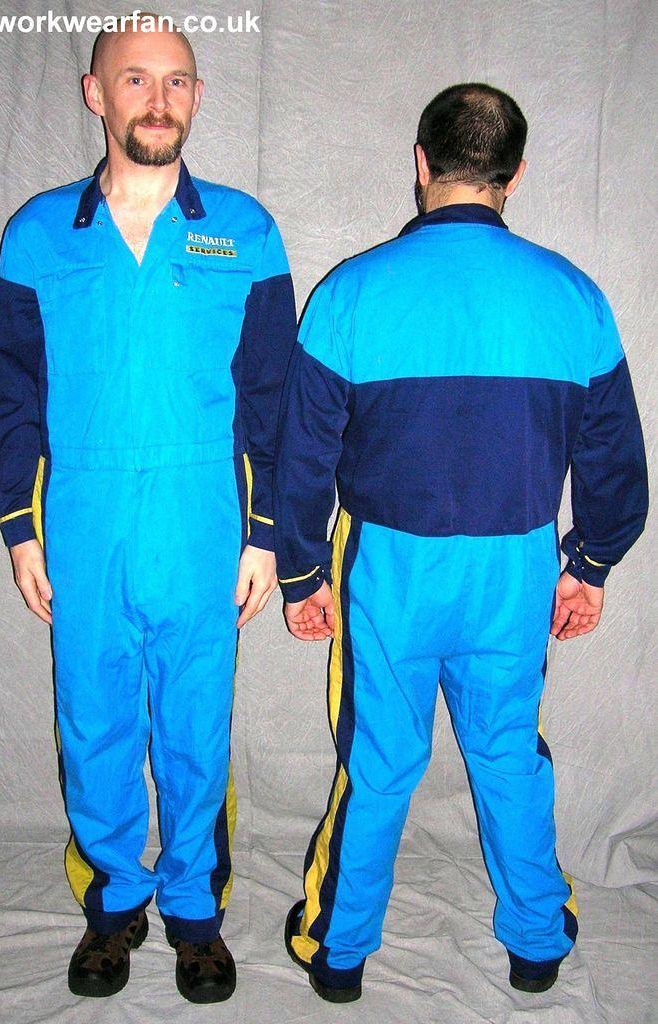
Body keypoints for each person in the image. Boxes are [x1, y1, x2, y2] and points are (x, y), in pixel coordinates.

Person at [274, 82, 648, 1002]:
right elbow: (615, 463)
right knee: (507, 754)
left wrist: (301, 573)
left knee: (378, 762)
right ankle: (534, 946)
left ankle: (340, 954)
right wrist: (590, 563)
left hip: (386, 566)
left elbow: (301, 457)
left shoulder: (349, 292)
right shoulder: (573, 297)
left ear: (420, 163)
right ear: (514, 174)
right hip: (512, 565)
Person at [0, 12, 296, 1004]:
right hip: (84, 515)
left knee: (196, 725)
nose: (158, 100)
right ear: (95, 92)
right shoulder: (39, 233)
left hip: (202, 518)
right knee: (95, 719)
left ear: (196, 96)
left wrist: (265, 534)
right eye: (135, 79)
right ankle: (113, 904)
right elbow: (9, 394)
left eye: (176, 81)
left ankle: (195, 912)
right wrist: (20, 526)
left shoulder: (244, 230)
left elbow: (273, 397)